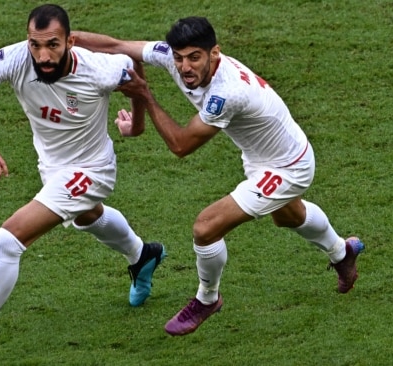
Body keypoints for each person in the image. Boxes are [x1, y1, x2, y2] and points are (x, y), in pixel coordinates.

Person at [74, 17, 364, 336]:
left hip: (288, 166)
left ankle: (207, 299)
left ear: (215, 54)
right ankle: (342, 252)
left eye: (194, 57)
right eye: (179, 57)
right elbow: (117, 47)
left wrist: (145, 96)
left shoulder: (228, 93)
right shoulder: (173, 58)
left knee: (206, 227)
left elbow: (181, 145)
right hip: (264, 154)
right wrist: (66, 39)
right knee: (288, 216)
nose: (185, 67)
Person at [0, 5, 166, 365]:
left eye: (52, 45)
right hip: (53, 166)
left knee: (9, 238)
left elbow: (137, 82)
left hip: (93, 169)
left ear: (69, 41)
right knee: (86, 218)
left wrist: (137, 126)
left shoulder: (99, 68)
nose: (43, 55)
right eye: (35, 45)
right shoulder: (14, 59)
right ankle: (142, 255)